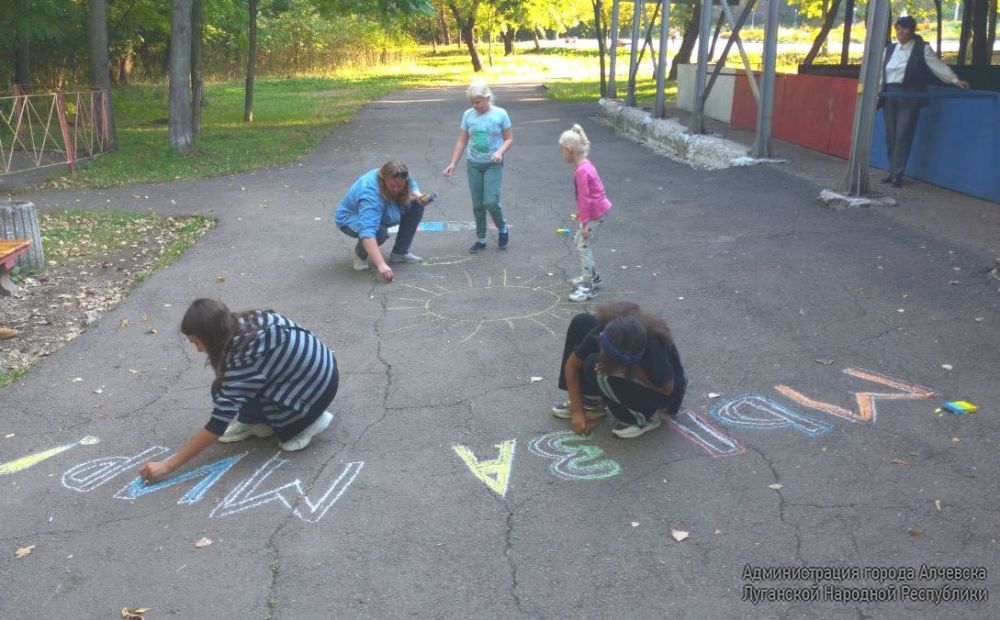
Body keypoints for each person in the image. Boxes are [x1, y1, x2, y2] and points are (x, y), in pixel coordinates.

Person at [138, 299, 338, 483]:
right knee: (221, 388)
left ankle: (309, 422)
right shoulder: (246, 321)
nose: (198, 350)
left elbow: (218, 423)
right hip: (320, 371)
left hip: (314, 391)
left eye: (197, 342)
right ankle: (259, 421)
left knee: (286, 439)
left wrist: (167, 465)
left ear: (212, 337)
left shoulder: (244, 359)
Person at [553, 302, 686, 439]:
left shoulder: (653, 347)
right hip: (632, 366)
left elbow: (667, 389)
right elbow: (572, 365)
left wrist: (633, 372)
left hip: (665, 394)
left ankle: (645, 417)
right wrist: (577, 412)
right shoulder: (610, 328)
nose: (601, 351)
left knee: (597, 369)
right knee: (583, 322)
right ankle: (591, 401)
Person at [880, 15, 970, 187]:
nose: (900, 31)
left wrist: (954, 80)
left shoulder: (922, 48)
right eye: (898, 28)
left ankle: (897, 174)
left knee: (903, 134)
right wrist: (878, 92)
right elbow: (881, 73)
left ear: (912, 30)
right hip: (890, 94)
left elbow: (938, 66)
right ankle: (891, 171)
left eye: (904, 28)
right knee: (891, 135)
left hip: (910, 95)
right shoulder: (889, 49)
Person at [443, 82, 514, 253]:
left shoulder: (500, 114)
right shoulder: (468, 115)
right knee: (477, 204)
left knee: (491, 201)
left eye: (478, 102)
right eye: (472, 102)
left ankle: (502, 227)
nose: (475, 105)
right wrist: (453, 162)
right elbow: (462, 139)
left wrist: (499, 152)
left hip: (493, 164)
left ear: (487, 98)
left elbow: (509, 138)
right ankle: (481, 238)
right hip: (473, 164)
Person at [335, 161, 432, 282]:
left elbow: (412, 187)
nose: (396, 189)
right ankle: (360, 254)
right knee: (379, 232)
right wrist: (381, 264)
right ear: (382, 178)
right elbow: (367, 231)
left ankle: (400, 252)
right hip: (350, 218)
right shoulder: (370, 194)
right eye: (392, 185)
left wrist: (419, 197)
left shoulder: (402, 175)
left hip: (385, 206)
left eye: (400, 186)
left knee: (416, 205)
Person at [559, 124, 612, 302]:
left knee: (583, 246)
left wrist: (584, 222)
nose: (562, 155)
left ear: (569, 150)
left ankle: (588, 287)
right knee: (579, 241)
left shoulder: (581, 171)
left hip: (595, 212)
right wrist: (581, 214)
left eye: (562, 151)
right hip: (597, 209)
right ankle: (593, 276)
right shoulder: (586, 165)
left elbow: (585, 198)